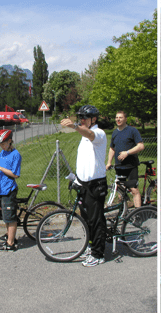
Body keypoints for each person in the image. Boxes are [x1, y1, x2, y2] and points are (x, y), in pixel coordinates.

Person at [61, 105, 108, 267]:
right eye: (79, 118)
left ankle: (98, 254)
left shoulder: (99, 133)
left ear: (93, 119)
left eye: (84, 118)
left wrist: (75, 126)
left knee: (96, 221)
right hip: (83, 184)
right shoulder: (83, 135)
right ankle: (91, 246)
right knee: (87, 219)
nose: (81, 121)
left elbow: (90, 134)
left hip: (96, 184)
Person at [0, 129, 22, 251]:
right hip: (2, 189)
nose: (1, 146)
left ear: (9, 141)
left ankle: (11, 243)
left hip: (9, 189)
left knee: (11, 218)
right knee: (6, 216)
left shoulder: (15, 155)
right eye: (0, 145)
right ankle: (9, 234)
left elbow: (15, 174)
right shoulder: (1, 153)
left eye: (3, 144)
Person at [106, 111, 145, 208]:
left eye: (120, 117)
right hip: (119, 166)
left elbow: (141, 146)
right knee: (120, 190)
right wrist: (109, 162)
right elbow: (112, 148)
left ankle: (138, 213)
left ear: (125, 119)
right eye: (116, 117)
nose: (118, 119)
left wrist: (127, 153)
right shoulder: (115, 132)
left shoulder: (132, 131)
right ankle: (123, 211)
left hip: (131, 166)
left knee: (134, 190)